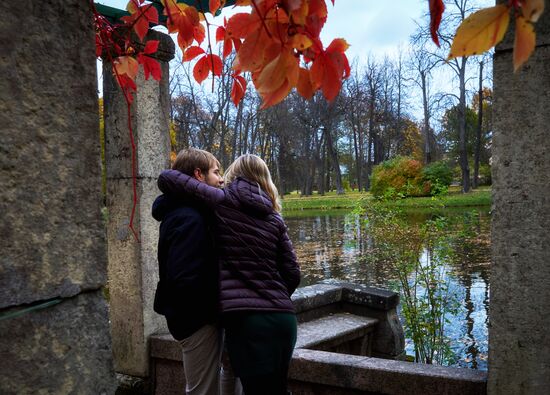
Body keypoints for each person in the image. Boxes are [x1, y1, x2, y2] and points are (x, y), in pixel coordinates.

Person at [157, 154, 301, 395]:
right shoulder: (275, 217)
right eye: (217, 172)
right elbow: (293, 272)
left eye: (224, 173)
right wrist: (272, 295)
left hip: (248, 323)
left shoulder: (223, 204)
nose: (221, 179)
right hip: (284, 319)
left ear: (235, 175)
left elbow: (171, 180)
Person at [152, 148, 224, 395]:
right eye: (216, 172)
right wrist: (213, 312)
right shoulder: (190, 217)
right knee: (202, 390)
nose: (222, 179)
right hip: (197, 320)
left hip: (193, 318)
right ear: (198, 175)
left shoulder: (184, 212)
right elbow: (186, 279)